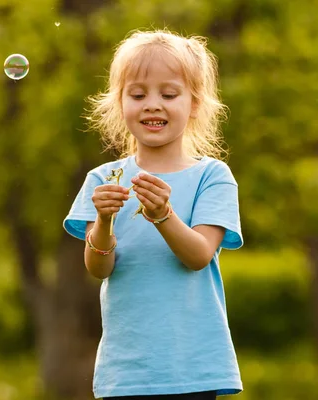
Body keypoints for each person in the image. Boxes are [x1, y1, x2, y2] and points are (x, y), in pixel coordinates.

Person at [63, 29, 244, 400]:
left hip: (192, 368)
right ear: (120, 103)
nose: (152, 104)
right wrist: (104, 221)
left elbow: (198, 257)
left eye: (169, 94)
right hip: (126, 370)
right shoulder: (103, 179)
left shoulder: (212, 176)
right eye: (138, 94)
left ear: (194, 104)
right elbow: (99, 268)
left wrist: (163, 215)